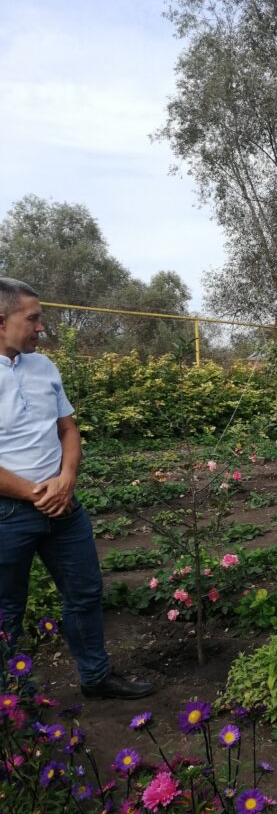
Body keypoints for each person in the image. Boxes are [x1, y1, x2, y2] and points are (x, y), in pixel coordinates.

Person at [0, 277, 154, 698]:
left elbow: (67, 429)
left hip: (63, 508)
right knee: (6, 613)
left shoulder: (44, 367)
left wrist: (66, 480)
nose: (41, 327)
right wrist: (36, 494)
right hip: (8, 514)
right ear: (1, 321)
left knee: (84, 593)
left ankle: (96, 676)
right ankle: (15, 702)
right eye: (32, 319)